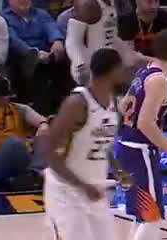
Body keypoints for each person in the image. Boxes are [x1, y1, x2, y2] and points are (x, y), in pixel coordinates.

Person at [43, 48, 128, 240]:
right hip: (66, 192)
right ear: (114, 70)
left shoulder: (112, 103)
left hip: (94, 190)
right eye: (121, 67)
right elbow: (49, 152)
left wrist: (117, 169)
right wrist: (81, 185)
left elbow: (102, 144)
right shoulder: (77, 103)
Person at [117, 28, 167, 240]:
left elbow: (122, 106)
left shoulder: (145, 71)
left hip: (126, 147)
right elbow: (145, 123)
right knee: (153, 217)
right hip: (140, 151)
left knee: (143, 216)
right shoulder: (160, 80)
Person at [66, 0, 121, 85]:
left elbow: (111, 35)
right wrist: (79, 65)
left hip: (108, 67)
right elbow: (72, 41)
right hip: (90, 72)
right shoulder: (88, 3)